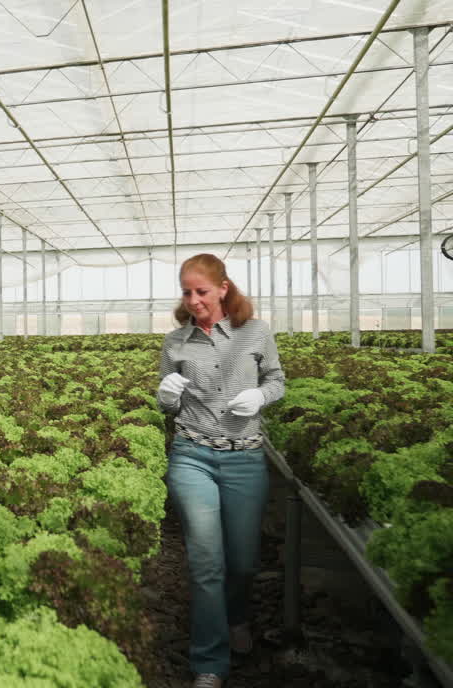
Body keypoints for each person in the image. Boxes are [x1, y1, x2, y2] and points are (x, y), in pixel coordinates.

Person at [156, 254, 284, 688]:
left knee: (244, 561)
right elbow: (167, 405)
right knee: (206, 561)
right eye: (186, 292)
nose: (193, 300)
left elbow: (277, 379)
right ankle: (208, 662)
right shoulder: (176, 342)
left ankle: (238, 617)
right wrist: (167, 394)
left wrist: (261, 398)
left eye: (201, 291)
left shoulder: (255, 332)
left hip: (245, 456)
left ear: (223, 288)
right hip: (192, 455)